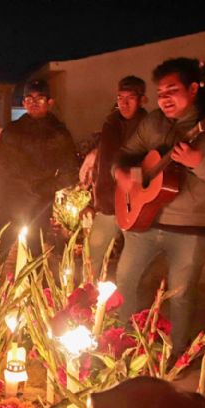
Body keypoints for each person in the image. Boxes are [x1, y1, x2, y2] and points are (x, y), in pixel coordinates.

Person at [114, 57, 205, 357]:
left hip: (193, 227)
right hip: (145, 218)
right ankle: (122, 340)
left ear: (194, 88)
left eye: (172, 90)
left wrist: (201, 164)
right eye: (160, 92)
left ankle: (177, 354)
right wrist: (123, 175)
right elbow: (127, 153)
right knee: (125, 278)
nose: (164, 98)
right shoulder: (153, 122)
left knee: (181, 293)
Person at [0, 79, 79, 258]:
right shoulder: (13, 131)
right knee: (0, 251)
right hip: (10, 200)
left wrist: (45, 188)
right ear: (23, 103)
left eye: (39, 99)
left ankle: (37, 286)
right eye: (29, 99)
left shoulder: (58, 133)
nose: (34, 103)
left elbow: (70, 173)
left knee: (35, 253)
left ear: (50, 102)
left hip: (38, 203)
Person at [80, 76, 148, 276]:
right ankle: (85, 301)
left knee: (131, 265)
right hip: (107, 204)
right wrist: (93, 201)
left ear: (143, 99)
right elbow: (105, 164)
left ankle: (124, 302)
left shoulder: (149, 126)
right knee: (92, 258)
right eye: (120, 98)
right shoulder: (110, 124)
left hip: (134, 204)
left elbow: (152, 163)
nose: (124, 103)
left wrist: (132, 176)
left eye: (131, 98)